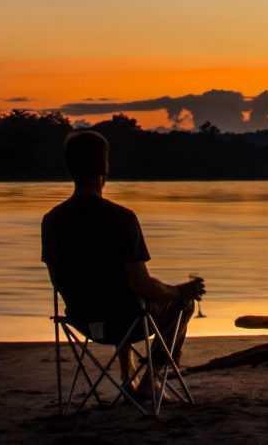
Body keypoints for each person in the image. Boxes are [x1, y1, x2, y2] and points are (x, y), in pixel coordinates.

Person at [42, 130, 205, 389]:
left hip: (82, 320)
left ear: (69, 169)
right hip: (125, 320)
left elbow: (57, 280)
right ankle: (151, 381)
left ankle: (128, 375)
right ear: (104, 168)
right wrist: (177, 291)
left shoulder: (52, 220)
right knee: (181, 304)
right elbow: (142, 284)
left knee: (120, 297)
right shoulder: (121, 218)